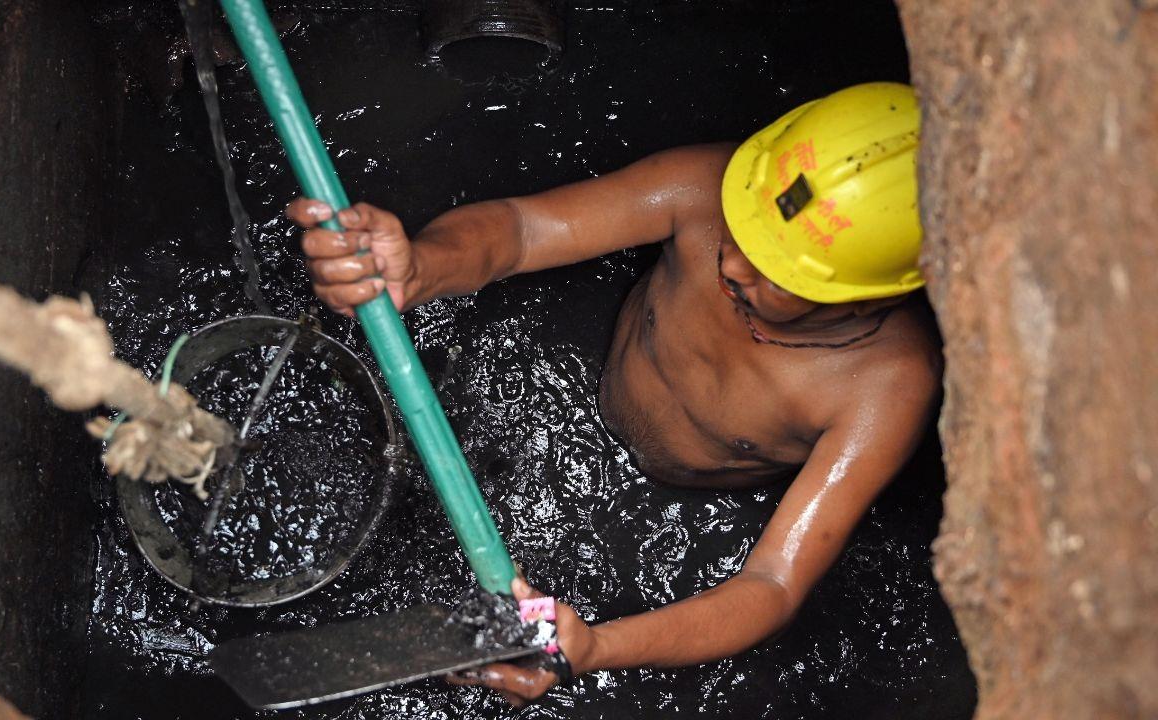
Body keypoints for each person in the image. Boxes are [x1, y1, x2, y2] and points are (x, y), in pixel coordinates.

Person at [286, 82, 940, 706]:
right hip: (588, 378)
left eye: (782, 271)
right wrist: (423, 268)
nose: (733, 265)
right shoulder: (707, 187)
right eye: (746, 230)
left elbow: (771, 585)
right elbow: (522, 231)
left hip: (697, 491)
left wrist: (595, 646)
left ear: (878, 293)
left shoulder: (885, 389)